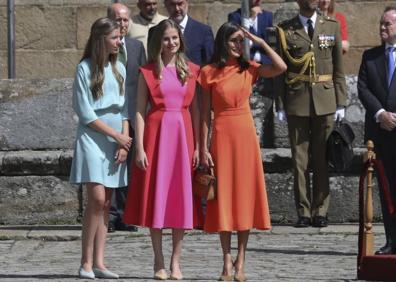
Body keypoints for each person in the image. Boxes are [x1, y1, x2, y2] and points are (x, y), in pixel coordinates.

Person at [199, 22, 286, 281]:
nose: (238, 45)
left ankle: (241, 262)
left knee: (245, 198)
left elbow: (281, 67)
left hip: (246, 136)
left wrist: (260, 43)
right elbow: (204, 115)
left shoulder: (249, 69)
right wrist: (203, 148)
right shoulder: (208, 72)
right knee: (224, 198)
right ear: (223, 42)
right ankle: (226, 262)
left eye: (241, 40)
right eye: (234, 40)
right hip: (222, 135)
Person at [123, 19, 200, 280]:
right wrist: (140, 147)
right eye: (166, 38)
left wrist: (200, 146)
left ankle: (176, 261)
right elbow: (139, 110)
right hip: (157, 136)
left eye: (175, 38)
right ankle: (158, 260)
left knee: (180, 199)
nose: (171, 43)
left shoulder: (191, 70)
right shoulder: (147, 72)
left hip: (183, 136)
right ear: (159, 41)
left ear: (181, 40)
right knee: (156, 198)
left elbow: (198, 110)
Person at [274, 0, 347, 228]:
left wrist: (342, 101)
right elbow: (280, 71)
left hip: (325, 100)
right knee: (300, 161)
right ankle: (303, 211)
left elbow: (338, 68)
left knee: (322, 158)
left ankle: (321, 211)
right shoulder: (285, 29)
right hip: (297, 100)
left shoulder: (331, 27)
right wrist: (279, 104)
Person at [69, 17, 131, 279]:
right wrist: (116, 135)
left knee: (106, 203)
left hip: (116, 140)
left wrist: (125, 141)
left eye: (120, 37)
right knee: (95, 198)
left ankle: (99, 262)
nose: (119, 41)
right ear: (101, 39)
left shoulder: (119, 69)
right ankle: (84, 262)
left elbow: (125, 109)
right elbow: (85, 113)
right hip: (93, 138)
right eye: (115, 37)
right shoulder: (84, 68)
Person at [358, 6, 396, 255]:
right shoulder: (370, 57)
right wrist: (380, 114)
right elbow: (363, 88)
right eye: (381, 24)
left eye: (388, 24)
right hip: (382, 135)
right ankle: (392, 239)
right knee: (387, 190)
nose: (382, 28)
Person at [107, 3, 147, 233]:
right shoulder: (101, 46)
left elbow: (141, 81)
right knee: (110, 165)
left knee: (129, 169)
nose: (121, 24)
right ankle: (109, 215)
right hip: (109, 116)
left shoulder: (136, 46)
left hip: (131, 115)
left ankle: (125, 214)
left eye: (124, 20)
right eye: (117, 20)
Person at [163, 0, 214, 65]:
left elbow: (210, 65)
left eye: (180, 4)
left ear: (187, 2)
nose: (177, 9)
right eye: (172, 4)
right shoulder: (156, 31)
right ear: (165, 4)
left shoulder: (203, 31)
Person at [228, 0, 273, 64]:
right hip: (246, 61)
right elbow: (238, 40)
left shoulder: (268, 16)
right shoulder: (235, 16)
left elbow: (270, 42)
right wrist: (252, 18)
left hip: (266, 62)